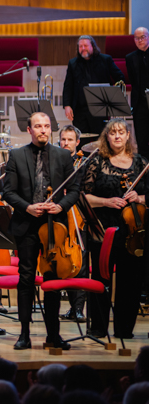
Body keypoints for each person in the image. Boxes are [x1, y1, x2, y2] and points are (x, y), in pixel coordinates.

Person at [1, 111, 79, 351]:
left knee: (52, 281)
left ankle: (53, 335)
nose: (43, 129)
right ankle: (24, 334)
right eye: (38, 126)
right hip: (27, 225)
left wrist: (60, 206)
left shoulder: (64, 156)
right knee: (25, 279)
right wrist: (28, 207)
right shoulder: (16, 155)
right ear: (29, 130)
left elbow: (74, 189)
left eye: (46, 126)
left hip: (55, 227)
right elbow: (7, 192)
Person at [81, 119, 147, 340]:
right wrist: (106, 202)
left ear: (128, 136)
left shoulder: (140, 163)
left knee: (131, 282)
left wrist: (140, 197)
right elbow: (85, 196)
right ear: (106, 137)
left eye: (121, 132)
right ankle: (98, 327)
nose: (117, 136)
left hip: (133, 232)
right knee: (101, 279)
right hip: (103, 231)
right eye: (112, 133)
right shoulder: (97, 162)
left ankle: (124, 329)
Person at [62, 35, 125, 137]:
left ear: (93, 46)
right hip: (79, 110)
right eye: (80, 46)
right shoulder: (73, 63)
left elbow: (120, 78)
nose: (83, 49)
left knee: (100, 141)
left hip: (100, 109)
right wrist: (67, 105)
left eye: (85, 46)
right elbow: (68, 86)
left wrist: (112, 96)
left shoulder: (105, 60)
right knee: (81, 141)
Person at [57, 124, 87, 321]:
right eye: (63, 139)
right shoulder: (56, 160)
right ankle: (70, 306)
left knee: (80, 263)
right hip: (60, 217)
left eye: (70, 140)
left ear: (77, 142)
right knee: (63, 261)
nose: (66, 143)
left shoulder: (83, 164)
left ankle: (78, 309)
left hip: (78, 217)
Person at [125, 26, 149, 154]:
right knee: (141, 139)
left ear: (148, 37)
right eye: (137, 38)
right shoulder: (130, 58)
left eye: (143, 37)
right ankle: (145, 170)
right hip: (140, 103)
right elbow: (134, 81)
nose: (140, 40)